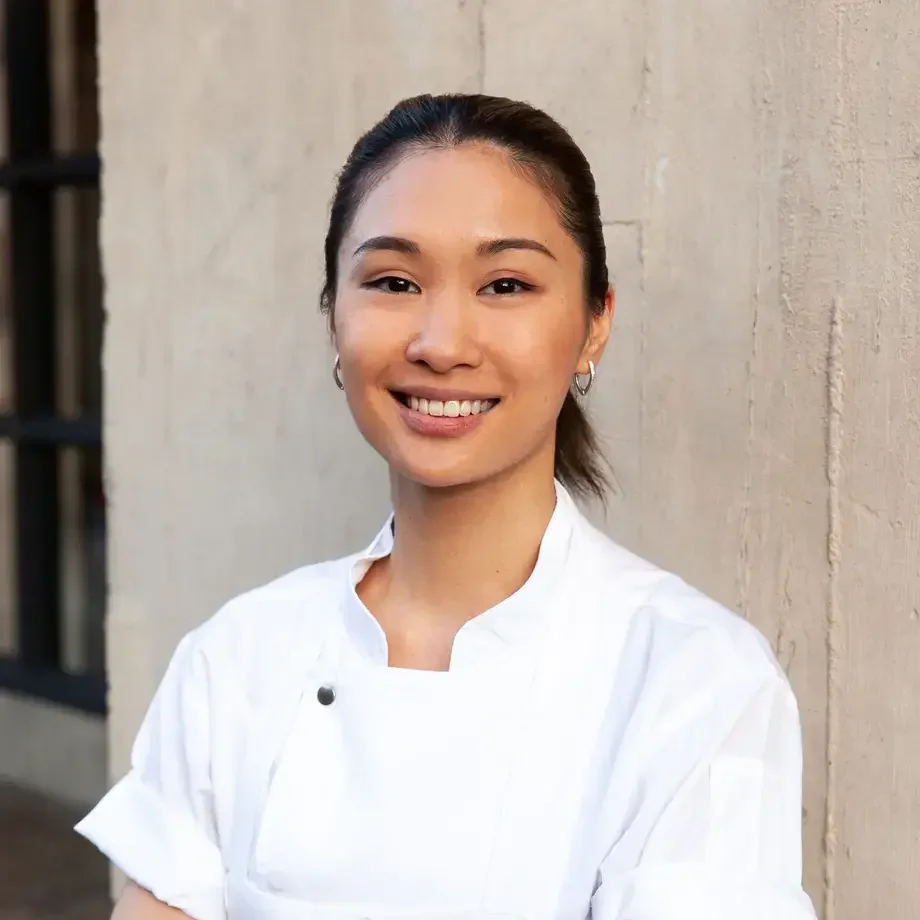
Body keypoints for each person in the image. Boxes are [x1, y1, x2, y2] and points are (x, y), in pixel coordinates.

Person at [77, 94, 818, 920]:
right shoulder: (239, 657)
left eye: (506, 284)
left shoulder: (695, 681)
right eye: (393, 280)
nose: (441, 343)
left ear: (594, 325)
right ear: (334, 316)